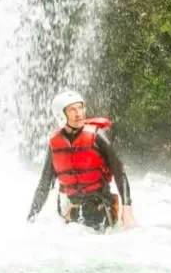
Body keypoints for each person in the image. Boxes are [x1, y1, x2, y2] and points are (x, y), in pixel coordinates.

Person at [28, 89, 134, 231]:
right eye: (72, 110)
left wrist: (127, 209)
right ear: (61, 114)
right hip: (72, 213)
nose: (79, 113)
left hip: (101, 210)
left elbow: (119, 172)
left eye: (80, 108)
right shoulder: (55, 143)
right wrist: (31, 218)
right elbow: (44, 185)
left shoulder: (97, 136)